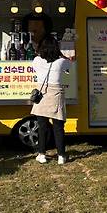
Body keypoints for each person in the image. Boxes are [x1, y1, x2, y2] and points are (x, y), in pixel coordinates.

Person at [31, 36, 71, 164]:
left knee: (42, 127)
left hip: (41, 96)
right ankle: (61, 156)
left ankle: (41, 154)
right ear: (56, 48)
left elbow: (37, 63)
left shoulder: (36, 60)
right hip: (55, 96)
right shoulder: (61, 62)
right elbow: (69, 64)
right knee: (58, 127)